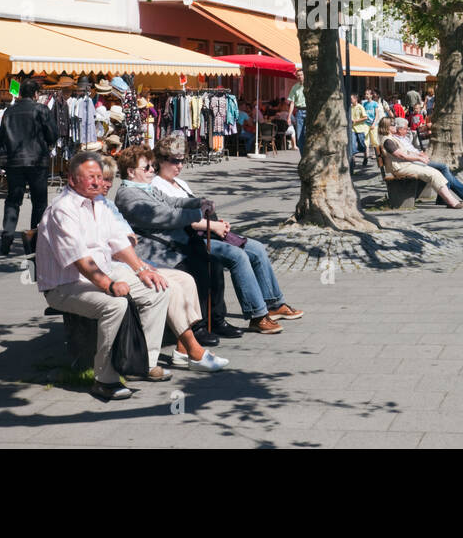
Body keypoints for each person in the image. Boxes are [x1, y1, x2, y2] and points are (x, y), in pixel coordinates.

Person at [34, 151, 173, 401]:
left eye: (100, 176)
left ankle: (140, 364)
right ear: (72, 179)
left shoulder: (98, 203)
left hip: (101, 273)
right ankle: (104, 379)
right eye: (90, 177)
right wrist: (109, 285)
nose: (98, 182)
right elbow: (81, 261)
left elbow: (118, 243)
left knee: (157, 288)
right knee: (115, 305)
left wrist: (142, 270)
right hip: (65, 285)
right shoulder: (63, 210)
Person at [143, 137, 303, 336]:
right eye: (175, 161)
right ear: (160, 160)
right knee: (238, 256)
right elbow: (180, 219)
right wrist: (214, 226)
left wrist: (218, 223)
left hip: (207, 230)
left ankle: (273, 303)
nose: (180, 166)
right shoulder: (157, 186)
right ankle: (257, 315)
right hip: (188, 239)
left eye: (182, 160)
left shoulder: (180, 183)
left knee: (257, 248)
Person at [96, 157, 226, 371]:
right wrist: (140, 267)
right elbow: (162, 216)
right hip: (128, 260)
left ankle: (183, 349)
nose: (106, 185)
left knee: (187, 279)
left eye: (108, 179)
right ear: (130, 171)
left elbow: (168, 206)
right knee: (170, 284)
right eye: (99, 179)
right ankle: (193, 350)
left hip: (136, 257)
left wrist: (198, 203)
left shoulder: (110, 203)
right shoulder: (127, 195)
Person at [0, 79, 58, 256]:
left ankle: (7, 237)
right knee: (39, 202)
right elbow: (53, 134)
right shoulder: (41, 110)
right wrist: (47, 144)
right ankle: (34, 241)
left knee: (13, 200)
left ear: (20, 93)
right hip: (37, 162)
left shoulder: (9, 111)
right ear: (36, 94)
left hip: (14, 162)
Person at [376, 117, 463, 208]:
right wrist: (419, 159)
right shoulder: (387, 141)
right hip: (400, 168)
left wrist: (419, 156)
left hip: (405, 165)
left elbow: (405, 152)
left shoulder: (391, 138)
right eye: (393, 124)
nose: (395, 126)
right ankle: (451, 202)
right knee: (433, 174)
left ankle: (451, 200)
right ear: (387, 127)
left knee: (435, 172)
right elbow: (401, 155)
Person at [392, 118, 463, 202]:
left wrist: (421, 153)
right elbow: (406, 154)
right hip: (413, 163)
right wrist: (420, 156)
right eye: (405, 128)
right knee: (443, 168)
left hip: (418, 160)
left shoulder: (405, 138)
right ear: (399, 129)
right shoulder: (396, 139)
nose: (407, 130)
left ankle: (446, 198)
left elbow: (413, 149)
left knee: (443, 168)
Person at [287, 70, 308, 152]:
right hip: (299, 112)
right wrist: (289, 117)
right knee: (299, 137)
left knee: (309, 134)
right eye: (298, 75)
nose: (300, 77)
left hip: (309, 111)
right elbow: (292, 103)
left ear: (304, 75)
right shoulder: (295, 87)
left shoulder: (309, 86)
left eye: (301, 75)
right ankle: (303, 158)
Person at [350, 94, 370, 165]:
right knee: (352, 145)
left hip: (360, 129)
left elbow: (365, 117)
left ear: (356, 99)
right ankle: (353, 161)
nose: (350, 100)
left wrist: (356, 121)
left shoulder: (360, 107)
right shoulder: (350, 107)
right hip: (352, 129)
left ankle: (365, 157)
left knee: (362, 145)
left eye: (351, 99)